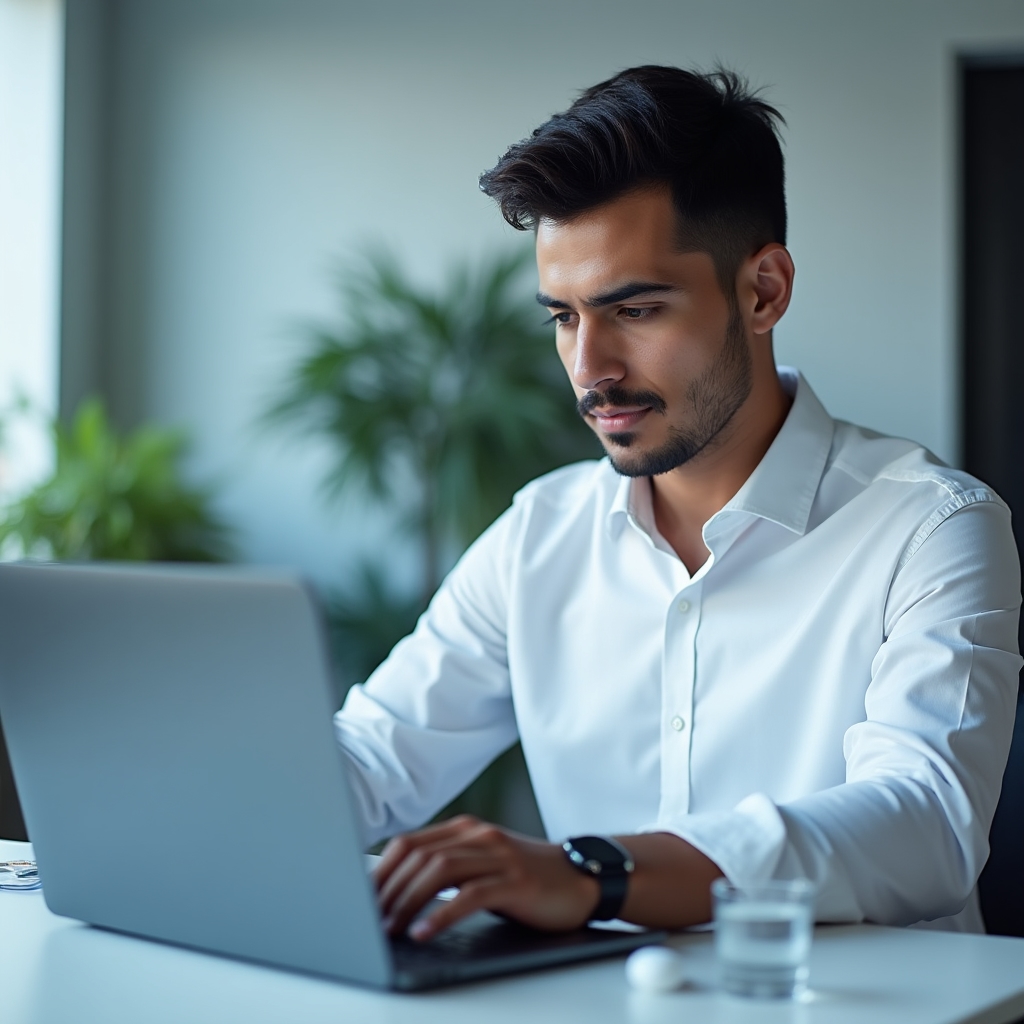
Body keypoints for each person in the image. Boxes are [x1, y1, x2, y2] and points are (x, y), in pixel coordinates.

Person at [333, 65, 1021, 942]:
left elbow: (924, 826)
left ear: (763, 290)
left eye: (636, 308)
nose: (590, 369)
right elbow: (372, 759)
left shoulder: (932, 528)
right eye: (564, 317)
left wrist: (594, 875)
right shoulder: (537, 536)